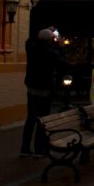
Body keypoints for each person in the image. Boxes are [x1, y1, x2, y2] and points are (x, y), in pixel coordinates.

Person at [20, 27, 64, 158]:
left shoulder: (31, 49)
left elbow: (30, 40)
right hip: (46, 89)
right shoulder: (52, 52)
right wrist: (58, 42)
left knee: (30, 119)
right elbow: (62, 62)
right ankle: (39, 148)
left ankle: (25, 148)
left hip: (32, 87)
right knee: (42, 119)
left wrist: (41, 32)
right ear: (50, 40)